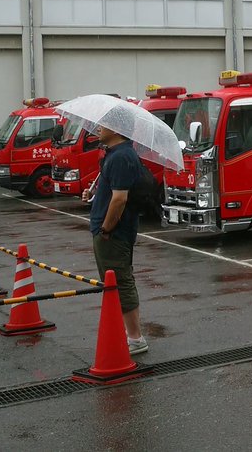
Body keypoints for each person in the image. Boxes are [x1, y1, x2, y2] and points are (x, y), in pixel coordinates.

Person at [82, 124, 148, 355]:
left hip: (115, 233)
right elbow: (111, 191)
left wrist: (106, 229)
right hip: (109, 230)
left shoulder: (121, 157)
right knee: (117, 280)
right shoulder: (115, 154)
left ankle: (135, 338)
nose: (99, 129)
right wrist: (93, 195)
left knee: (120, 281)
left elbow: (120, 199)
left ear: (117, 129)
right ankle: (130, 334)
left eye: (104, 125)